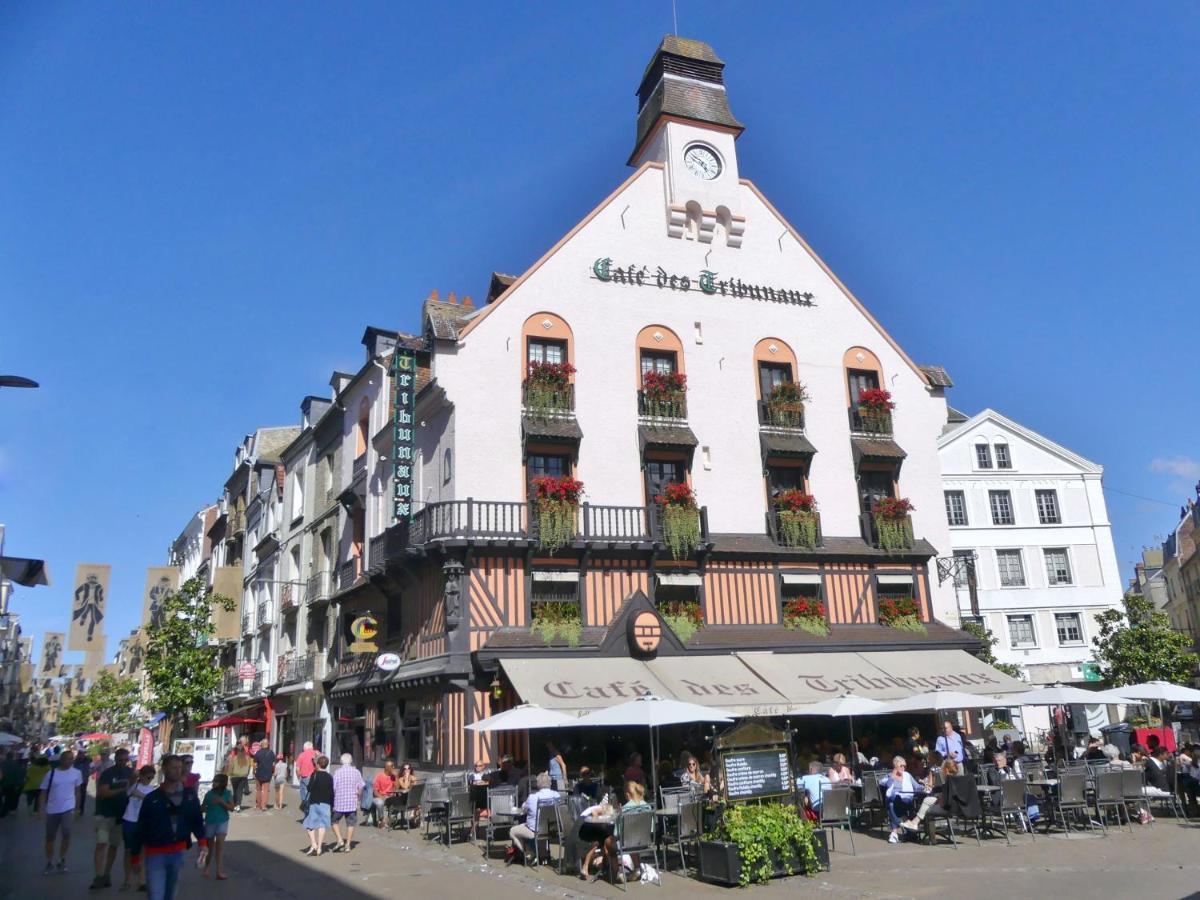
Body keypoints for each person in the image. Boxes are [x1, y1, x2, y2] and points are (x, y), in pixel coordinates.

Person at [136, 754, 207, 900]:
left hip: (177, 852)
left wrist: (202, 843)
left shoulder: (189, 795)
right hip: (155, 854)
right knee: (156, 895)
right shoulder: (152, 798)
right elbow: (141, 828)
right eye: (174, 767)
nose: (178, 770)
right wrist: (135, 858)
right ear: (164, 769)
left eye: (180, 767)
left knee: (170, 894)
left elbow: (196, 820)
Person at [91, 746, 132, 890]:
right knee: (102, 843)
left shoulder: (130, 773)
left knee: (114, 846)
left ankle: (106, 874)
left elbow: (135, 789)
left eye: (126, 760)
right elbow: (103, 793)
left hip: (120, 815)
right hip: (104, 813)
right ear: (115, 759)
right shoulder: (108, 773)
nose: (123, 762)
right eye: (120, 760)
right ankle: (98, 875)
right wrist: (122, 789)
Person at [39, 750, 84, 875]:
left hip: (68, 807)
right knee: (50, 837)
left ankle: (62, 859)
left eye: (71, 759)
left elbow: (78, 791)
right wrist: (40, 809)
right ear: (61, 760)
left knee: (66, 832)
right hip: (52, 809)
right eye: (67, 759)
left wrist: (78, 808)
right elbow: (43, 792)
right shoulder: (51, 773)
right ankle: (49, 861)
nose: (69, 761)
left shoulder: (76, 773)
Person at [602, 779, 653, 882]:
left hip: (629, 843)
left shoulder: (625, 809)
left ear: (627, 794)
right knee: (631, 839)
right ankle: (637, 868)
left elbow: (617, 833)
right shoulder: (647, 806)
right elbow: (651, 829)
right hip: (645, 842)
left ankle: (618, 873)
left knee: (608, 842)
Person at [507, 771, 559, 864]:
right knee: (542, 827)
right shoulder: (556, 795)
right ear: (550, 783)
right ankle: (543, 855)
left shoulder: (533, 797)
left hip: (535, 831)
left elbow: (524, 809)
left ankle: (529, 853)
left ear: (538, 784)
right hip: (552, 829)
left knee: (512, 831)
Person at [899, 758, 959, 832]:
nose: (941, 770)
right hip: (957, 807)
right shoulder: (958, 780)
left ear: (946, 770)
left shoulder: (948, 781)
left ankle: (931, 837)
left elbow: (943, 800)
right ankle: (915, 823)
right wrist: (938, 798)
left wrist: (938, 799)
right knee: (927, 800)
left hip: (948, 808)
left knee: (927, 810)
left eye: (942, 769)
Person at [121, 765, 156, 892]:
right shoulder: (134, 786)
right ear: (141, 776)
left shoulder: (152, 789)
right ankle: (127, 879)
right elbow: (131, 786)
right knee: (129, 850)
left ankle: (141, 881)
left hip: (143, 823)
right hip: (130, 820)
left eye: (152, 777)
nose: (150, 779)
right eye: (148, 777)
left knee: (143, 851)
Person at [201, 774, 234, 880]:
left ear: (222, 783)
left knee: (219, 846)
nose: (214, 783)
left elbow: (232, 807)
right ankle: (207, 867)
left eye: (216, 781)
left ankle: (219, 871)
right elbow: (203, 808)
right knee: (209, 847)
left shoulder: (227, 793)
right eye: (214, 781)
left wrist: (221, 802)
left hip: (222, 821)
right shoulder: (209, 794)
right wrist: (203, 808)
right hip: (210, 821)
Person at [330, 753, 364, 852]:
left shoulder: (337, 772)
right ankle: (348, 844)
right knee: (350, 823)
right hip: (351, 802)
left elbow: (334, 788)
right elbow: (361, 786)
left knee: (334, 821)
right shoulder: (356, 772)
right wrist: (358, 795)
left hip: (339, 802)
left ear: (341, 761)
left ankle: (340, 839)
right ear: (351, 761)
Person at [883, 755, 919, 844]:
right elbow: (887, 785)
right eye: (901, 766)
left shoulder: (907, 775)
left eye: (904, 766)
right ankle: (905, 822)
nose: (903, 768)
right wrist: (893, 775)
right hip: (895, 800)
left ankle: (895, 832)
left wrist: (926, 786)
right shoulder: (889, 776)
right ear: (895, 766)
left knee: (891, 803)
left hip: (907, 799)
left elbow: (917, 787)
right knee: (892, 802)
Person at [303, 755, 334, 856]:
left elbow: (309, 788)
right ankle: (320, 847)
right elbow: (332, 792)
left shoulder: (315, 775)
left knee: (308, 824)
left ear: (318, 764)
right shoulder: (329, 777)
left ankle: (314, 844)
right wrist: (332, 805)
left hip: (314, 802)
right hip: (326, 803)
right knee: (322, 825)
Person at [370, 760, 399, 828]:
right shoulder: (379, 776)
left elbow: (397, 788)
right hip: (379, 796)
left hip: (390, 797)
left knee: (397, 801)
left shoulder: (393, 777)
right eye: (392, 766)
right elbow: (375, 791)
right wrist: (382, 797)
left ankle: (388, 820)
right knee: (380, 803)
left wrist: (397, 777)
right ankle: (381, 820)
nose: (394, 767)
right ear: (387, 767)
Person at [225, 745, 251, 812]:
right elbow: (248, 767)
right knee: (240, 791)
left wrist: (228, 775)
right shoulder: (247, 758)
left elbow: (231, 767)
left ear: (237, 751)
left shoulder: (234, 758)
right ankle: (238, 806)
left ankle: (234, 805)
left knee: (235, 791)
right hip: (243, 776)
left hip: (234, 776)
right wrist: (246, 774)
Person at [252, 739, 275, 812]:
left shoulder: (258, 753)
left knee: (258, 790)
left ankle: (258, 804)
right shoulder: (271, 753)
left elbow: (255, 765)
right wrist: (273, 772)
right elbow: (273, 764)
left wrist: (253, 772)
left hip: (259, 773)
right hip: (268, 773)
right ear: (267, 744)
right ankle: (264, 806)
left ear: (261, 745)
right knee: (265, 790)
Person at [295, 741, 317, 809]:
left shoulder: (302, 755)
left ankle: (307, 812)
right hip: (315, 777)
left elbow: (297, 768)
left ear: (305, 748)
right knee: (313, 795)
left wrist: (298, 777)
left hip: (305, 777)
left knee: (304, 796)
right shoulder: (317, 753)